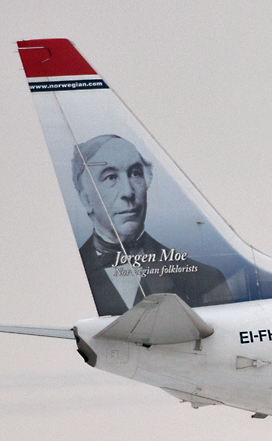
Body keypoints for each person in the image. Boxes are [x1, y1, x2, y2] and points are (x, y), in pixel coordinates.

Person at [71, 134, 232, 316]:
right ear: (86, 200)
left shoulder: (207, 280)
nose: (128, 192)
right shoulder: (69, 281)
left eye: (135, 174)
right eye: (110, 177)